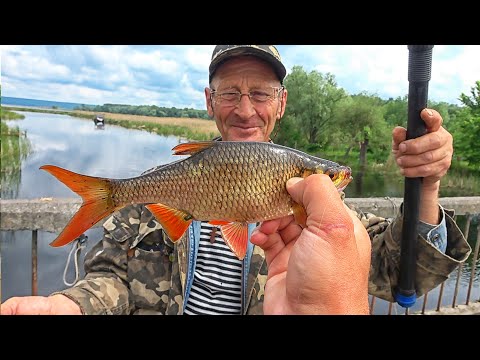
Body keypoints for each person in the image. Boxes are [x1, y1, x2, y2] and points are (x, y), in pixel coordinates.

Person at [0, 45, 471, 315]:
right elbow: (111, 280)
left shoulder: (320, 213)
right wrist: (73, 307)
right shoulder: (150, 196)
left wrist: (426, 187)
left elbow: (401, 274)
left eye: (260, 94)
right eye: (230, 93)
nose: (245, 109)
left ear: (281, 103)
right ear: (209, 101)